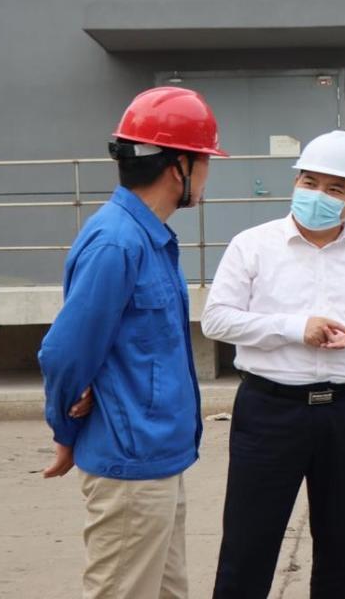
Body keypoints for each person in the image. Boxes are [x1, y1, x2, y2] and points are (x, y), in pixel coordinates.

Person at [203, 130, 345, 599]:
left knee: (342, 540)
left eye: (334, 188)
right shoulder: (252, 245)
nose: (317, 195)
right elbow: (216, 319)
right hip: (269, 409)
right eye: (309, 182)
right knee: (248, 541)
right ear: (295, 183)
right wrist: (293, 327)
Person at [38, 86, 227, 599]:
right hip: (131, 466)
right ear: (179, 167)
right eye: (206, 161)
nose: (208, 173)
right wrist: (65, 429)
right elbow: (64, 352)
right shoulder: (117, 243)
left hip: (157, 459)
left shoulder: (148, 238)